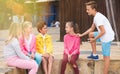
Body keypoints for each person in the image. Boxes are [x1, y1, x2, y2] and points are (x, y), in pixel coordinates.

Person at [78, 1, 115, 74]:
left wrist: (94, 39)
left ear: (94, 9)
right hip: (104, 34)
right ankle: (95, 55)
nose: (86, 11)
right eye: (86, 9)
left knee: (106, 57)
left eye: (88, 9)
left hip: (107, 37)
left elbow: (103, 31)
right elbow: (91, 29)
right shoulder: (96, 16)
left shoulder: (98, 18)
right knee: (91, 34)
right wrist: (81, 35)